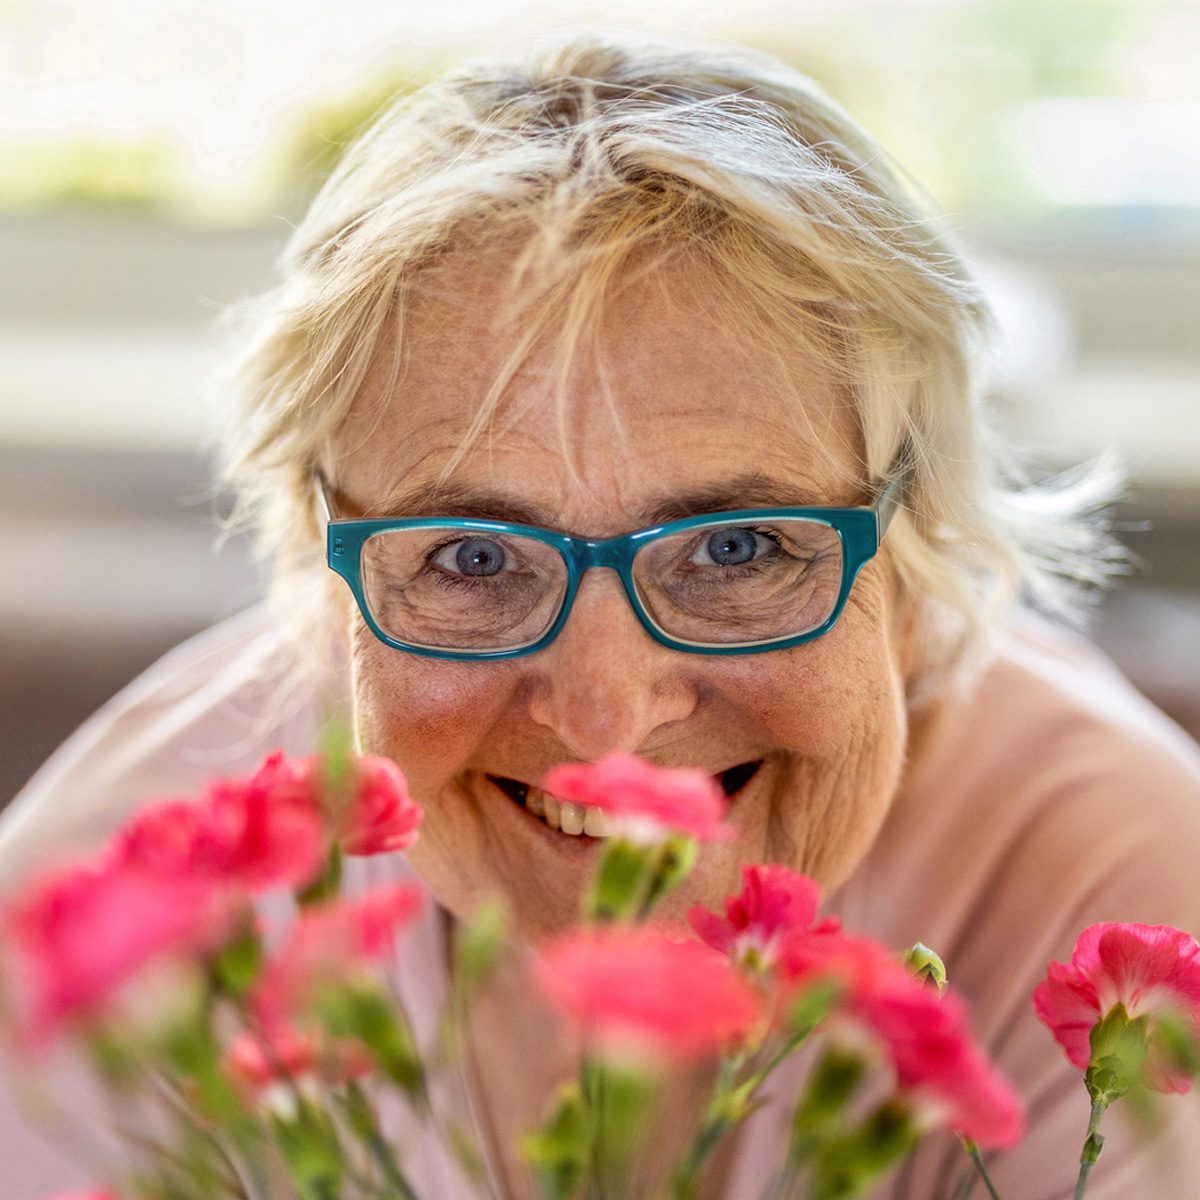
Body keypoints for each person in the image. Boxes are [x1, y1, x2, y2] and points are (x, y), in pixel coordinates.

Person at [2, 29, 1199, 1200]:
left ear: (919, 557)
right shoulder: (113, 907)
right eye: (473, 557)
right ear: (328, 579)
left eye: (735, 547)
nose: (605, 715)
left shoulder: (1127, 895)